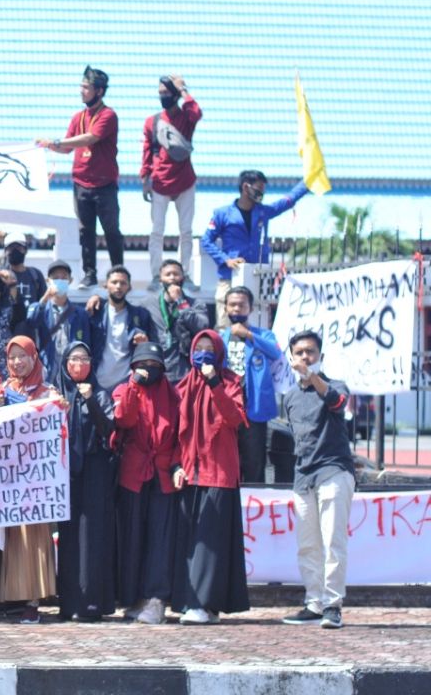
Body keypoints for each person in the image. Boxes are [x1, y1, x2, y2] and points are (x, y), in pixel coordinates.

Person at [172, 330, 250, 625]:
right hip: (190, 472)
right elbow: (176, 431)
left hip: (219, 472)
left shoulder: (231, 382)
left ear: (218, 353)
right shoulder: (183, 385)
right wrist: (176, 465)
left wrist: (215, 383)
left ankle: (204, 603)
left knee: (211, 540)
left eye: (209, 348)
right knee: (192, 541)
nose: (203, 353)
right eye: (198, 348)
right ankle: (193, 601)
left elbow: (235, 419)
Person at [281, 331, 354, 630]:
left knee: (333, 541)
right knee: (307, 545)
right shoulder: (290, 397)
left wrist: (313, 377)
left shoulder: (334, 386)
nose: (305, 357)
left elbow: (338, 404)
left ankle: (332, 604)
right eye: (299, 352)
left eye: (310, 352)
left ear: (320, 355)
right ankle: (313, 602)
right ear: (291, 357)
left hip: (333, 471)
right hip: (303, 477)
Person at [111, 342, 180, 625]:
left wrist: (177, 464)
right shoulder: (124, 389)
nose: (148, 370)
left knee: (159, 540)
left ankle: (156, 598)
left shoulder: (173, 395)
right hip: (133, 473)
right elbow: (123, 418)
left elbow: (181, 434)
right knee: (132, 537)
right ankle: (132, 597)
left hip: (163, 475)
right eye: (143, 365)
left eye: (154, 366)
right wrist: (133, 384)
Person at [36, 66, 123, 288]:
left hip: (104, 184)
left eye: (86, 87)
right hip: (81, 183)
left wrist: (54, 142)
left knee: (111, 230)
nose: (81, 91)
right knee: (85, 231)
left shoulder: (108, 115)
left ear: (99, 91)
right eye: (81, 86)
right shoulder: (78, 117)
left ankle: (118, 271)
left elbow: (90, 138)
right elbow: (66, 148)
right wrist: (45, 147)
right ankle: (89, 274)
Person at [0, 336, 58, 625]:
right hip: (8, 476)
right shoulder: (4, 390)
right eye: (12, 357)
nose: (17, 362)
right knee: (10, 537)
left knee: (32, 539)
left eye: (23, 356)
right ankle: (11, 598)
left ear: (34, 357)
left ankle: (33, 599)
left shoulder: (48, 392)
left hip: (36, 478)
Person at [53, 341, 117, 622]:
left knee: (92, 537)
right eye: (73, 359)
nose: (78, 364)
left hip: (95, 471)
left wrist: (90, 399)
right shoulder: (55, 395)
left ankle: (92, 603)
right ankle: (68, 603)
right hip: (65, 473)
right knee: (68, 538)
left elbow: (108, 428)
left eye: (84, 358)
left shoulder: (101, 394)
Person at [201, 170, 308, 326]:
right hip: (230, 277)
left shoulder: (263, 212)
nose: (262, 193)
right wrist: (226, 260)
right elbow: (206, 240)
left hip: (258, 277)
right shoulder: (222, 214)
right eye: (259, 189)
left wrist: (307, 182)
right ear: (246, 187)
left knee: (257, 323)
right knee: (225, 325)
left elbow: (288, 201)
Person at [142, 75, 202, 282]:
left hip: (185, 180)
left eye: (167, 93)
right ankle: (156, 275)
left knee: (186, 231)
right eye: (160, 93)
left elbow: (197, 113)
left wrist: (183, 89)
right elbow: (147, 151)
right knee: (156, 231)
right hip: (159, 181)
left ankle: (184, 274)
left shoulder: (186, 117)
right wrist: (145, 178)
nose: (163, 97)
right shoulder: (153, 121)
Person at [221, 286, 283, 484]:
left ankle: (254, 503)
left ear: (250, 308)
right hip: (227, 407)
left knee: (254, 460)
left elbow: (275, 352)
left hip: (253, 406)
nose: (237, 309)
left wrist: (248, 335)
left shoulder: (263, 335)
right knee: (228, 459)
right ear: (225, 308)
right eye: (233, 305)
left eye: (242, 304)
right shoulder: (219, 337)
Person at [18, 260, 90, 383]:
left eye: (64, 278)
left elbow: (87, 343)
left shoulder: (80, 313)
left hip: (72, 370)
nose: (60, 281)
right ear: (48, 281)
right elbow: (31, 322)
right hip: (47, 368)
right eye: (55, 278)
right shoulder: (40, 307)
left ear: (70, 281)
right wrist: (45, 298)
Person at [86, 266, 155, 393]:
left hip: (127, 383)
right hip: (97, 383)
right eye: (114, 282)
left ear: (129, 287)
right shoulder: (95, 312)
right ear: (106, 285)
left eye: (123, 283)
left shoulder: (140, 315)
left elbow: (150, 346)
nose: (118, 286)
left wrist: (144, 342)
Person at [147, 260, 209, 384]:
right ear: (160, 279)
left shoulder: (196, 304)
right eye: (168, 274)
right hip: (158, 371)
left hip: (184, 371)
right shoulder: (148, 304)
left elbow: (202, 326)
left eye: (176, 274)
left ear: (183, 278)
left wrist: (180, 302)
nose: (172, 278)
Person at [0, 231, 47, 310]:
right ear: (5, 252)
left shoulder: (36, 275)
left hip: (31, 321)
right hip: (8, 321)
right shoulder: (2, 274)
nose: (15, 251)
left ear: (25, 250)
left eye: (19, 248)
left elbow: (44, 302)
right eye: (11, 248)